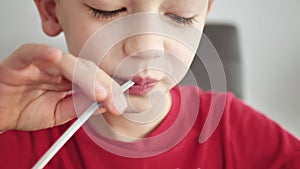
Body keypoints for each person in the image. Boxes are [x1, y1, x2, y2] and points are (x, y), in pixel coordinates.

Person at [0, 0, 299, 168]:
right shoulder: (12, 128)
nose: (147, 46)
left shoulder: (236, 134)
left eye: (180, 17)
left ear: (203, 16)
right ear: (52, 10)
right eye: (109, 11)